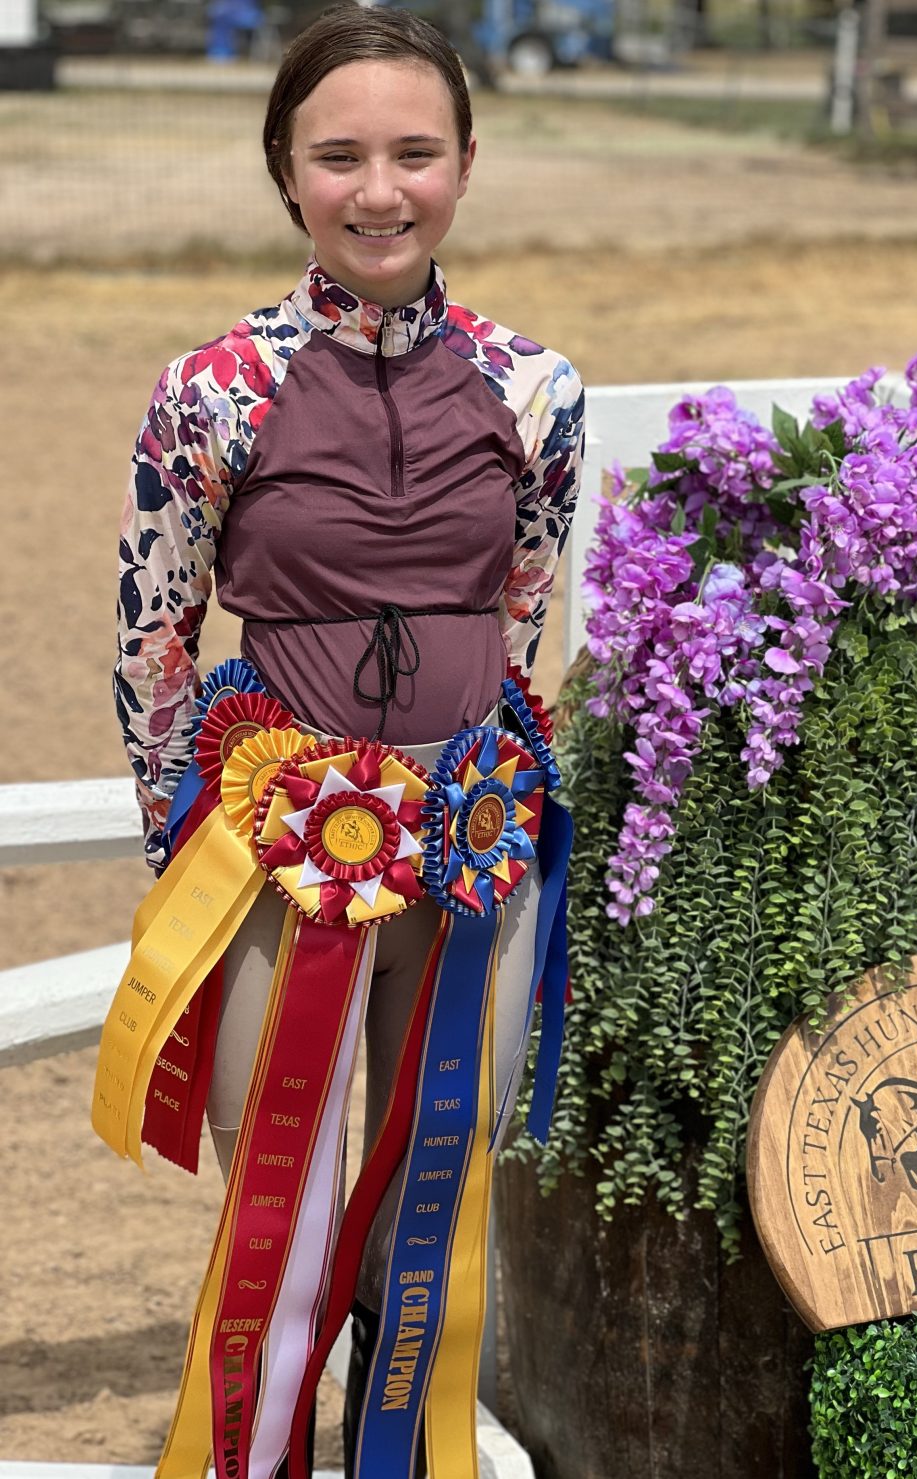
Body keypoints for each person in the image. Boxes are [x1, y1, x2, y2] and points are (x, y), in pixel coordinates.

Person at [110, 4, 585, 1474]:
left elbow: (524, 612)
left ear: (466, 164)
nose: (381, 191)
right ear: (286, 172)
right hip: (281, 857)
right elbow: (153, 637)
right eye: (340, 158)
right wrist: (187, 848)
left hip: (467, 851)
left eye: (415, 153)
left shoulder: (537, 388)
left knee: (432, 1203)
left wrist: (484, 784)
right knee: (289, 1211)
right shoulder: (213, 391)